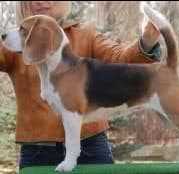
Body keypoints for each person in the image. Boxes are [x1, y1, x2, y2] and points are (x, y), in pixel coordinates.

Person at [0, 1, 161, 169]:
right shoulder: (13, 41)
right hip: (36, 151)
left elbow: (121, 59)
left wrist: (146, 43)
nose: (42, 2)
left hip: (90, 146)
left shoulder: (86, 35)